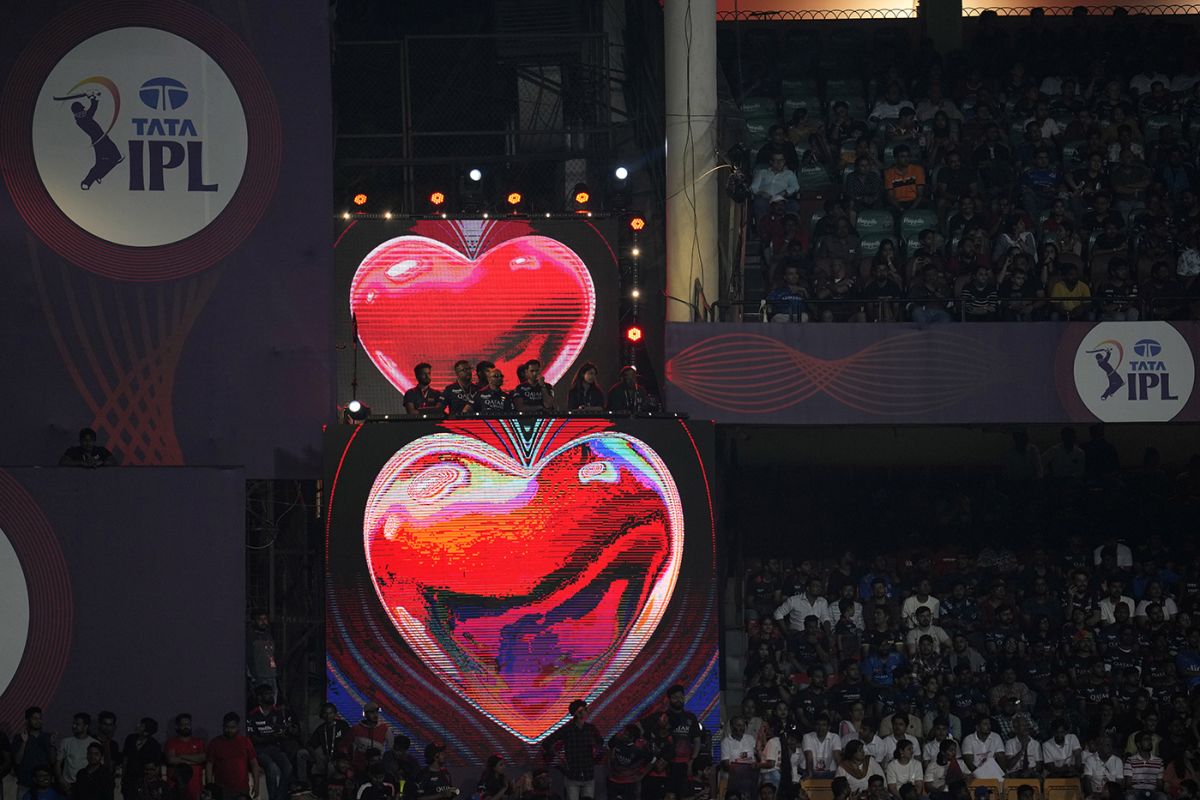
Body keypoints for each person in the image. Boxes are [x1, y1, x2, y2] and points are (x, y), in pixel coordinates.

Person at [542, 700, 604, 800]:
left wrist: (595, 751)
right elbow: (547, 743)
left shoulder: (591, 728)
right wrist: (558, 757)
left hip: (588, 773)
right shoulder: (567, 729)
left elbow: (600, 742)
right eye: (583, 710)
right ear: (577, 713)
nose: (586, 711)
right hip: (572, 774)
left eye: (586, 709)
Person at [246, 685, 299, 800]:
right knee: (272, 767)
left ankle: (279, 797)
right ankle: (272, 797)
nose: (271, 696)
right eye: (267, 694)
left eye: (271, 693)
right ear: (260, 697)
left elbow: (282, 733)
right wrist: (271, 737)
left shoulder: (277, 713)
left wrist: (284, 733)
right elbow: (253, 738)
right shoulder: (253, 715)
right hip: (259, 750)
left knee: (288, 767)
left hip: (275, 748)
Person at [69, 93, 124, 190]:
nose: (84, 110)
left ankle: (97, 176)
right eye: (82, 109)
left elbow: (90, 110)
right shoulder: (81, 119)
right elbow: (92, 110)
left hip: (101, 139)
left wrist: (93, 99)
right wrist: (93, 100)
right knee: (110, 160)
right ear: (78, 111)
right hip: (100, 141)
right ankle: (87, 181)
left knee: (115, 158)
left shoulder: (81, 117)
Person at [206, 713, 261, 798]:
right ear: (223, 726)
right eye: (227, 727)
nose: (229, 730)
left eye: (232, 727)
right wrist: (209, 787)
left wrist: (256, 785)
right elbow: (209, 765)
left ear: (237, 727)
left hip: (241, 789)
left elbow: (254, 764)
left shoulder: (245, 742)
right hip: (221, 789)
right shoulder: (215, 743)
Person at [16, 709, 60, 796]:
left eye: (40, 718)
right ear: (27, 720)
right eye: (35, 718)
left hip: (45, 786)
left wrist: (52, 745)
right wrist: (24, 743)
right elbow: (17, 761)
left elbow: (52, 761)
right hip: (25, 783)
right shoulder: (19, 737)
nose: (38, 721)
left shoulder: (48, 737)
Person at [308, 703, 350, 790]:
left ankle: (329, 789)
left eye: (330, 713)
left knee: (331, 766)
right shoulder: (321, 729)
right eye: (325, 713)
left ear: (335, 714)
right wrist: (316, 757)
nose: (328, 716)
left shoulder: (342, 725)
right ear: (322, 715)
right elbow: (310, 745)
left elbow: (350, 740)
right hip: (326, 757)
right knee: (315, 767)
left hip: (341, 758)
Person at [164, 714, 206, 800]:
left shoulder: (198, 742)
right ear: (177, 727)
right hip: (176, 787)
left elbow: (202, 758)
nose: (186, 727)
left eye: (188, 724)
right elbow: (171, 760)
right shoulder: (171, 742)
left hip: (195, 787)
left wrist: (181, 756)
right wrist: (194, 760)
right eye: (183, 724)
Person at [121, 720, 163, 800]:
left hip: (144, 781)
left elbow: (157, 766)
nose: (138, 725)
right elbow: (125, 759)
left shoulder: (154, 745)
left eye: (141, 725)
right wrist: (123, 777)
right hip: (129, 779)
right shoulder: (130, 738)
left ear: (146, 731)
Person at [608, 724, 651, 800]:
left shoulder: (639, 749)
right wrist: (610, 766)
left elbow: (652, 760)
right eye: (623, 732)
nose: (622, 734)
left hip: (630, 783)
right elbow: (609, 747)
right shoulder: (617, 741)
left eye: (625, 734)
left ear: (632, 738)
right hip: (614, 781)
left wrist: (642, 775)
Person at [720, 717, 759, 798]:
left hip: (751, 777)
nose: (741, 728)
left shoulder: (750, 738)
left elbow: (757, 756)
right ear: (731, 727)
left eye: (743, 725)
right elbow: (726, 765)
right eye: (738, 725)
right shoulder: (726, 742)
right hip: (734, 778)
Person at [348, 703, 393, 773]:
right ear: (365, 714)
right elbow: (346, 746)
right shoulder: (356, 729)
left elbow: (392, 747)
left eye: (376, 712)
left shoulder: (385, 729)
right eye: (372, 712)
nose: (375, 715)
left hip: (377, 768)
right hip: (358, 768)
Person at [60, 714, 98, 791]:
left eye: (77, 724)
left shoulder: (95, 743)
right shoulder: (66, 742)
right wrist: (61, 780)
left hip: (87, 785)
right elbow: (58, 763)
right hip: (68, 785)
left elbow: (98, 766)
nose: (74, 726)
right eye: (73, 723)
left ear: (86, 726)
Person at [246, 613, 278, 701]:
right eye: (260, 619)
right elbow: (249, 657)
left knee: (272, 700)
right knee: (262, 699)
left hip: (271, 675)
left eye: (265, 619)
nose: (263, 622)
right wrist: (253, 676)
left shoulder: (269, 636)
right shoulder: (251, 637)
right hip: (259, 676)